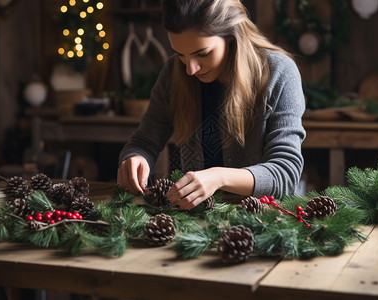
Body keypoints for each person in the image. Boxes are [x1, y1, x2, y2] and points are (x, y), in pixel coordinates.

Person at [117, 0, 306, 210]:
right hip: (193, 224)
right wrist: (136, 158)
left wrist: (218, 177)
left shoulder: (278, 72)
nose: (190, 69)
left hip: (265, 221)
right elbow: (144, 141)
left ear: (233, 37)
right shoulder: (173, 73)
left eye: (203, 53)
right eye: (180, 54)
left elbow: (286, 174)